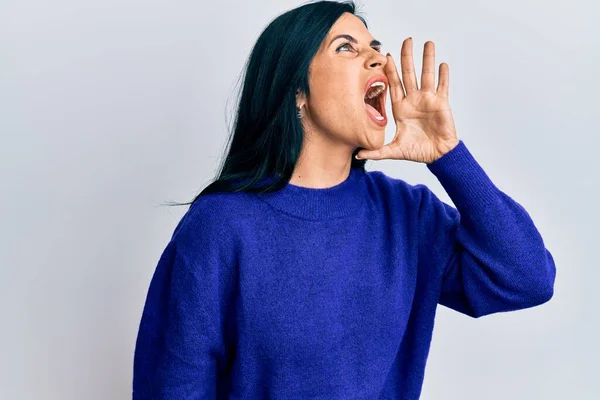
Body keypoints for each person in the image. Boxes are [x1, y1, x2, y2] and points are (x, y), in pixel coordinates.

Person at [132, 1, 556, 398]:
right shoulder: (221, 224)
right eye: (346, 48)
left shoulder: (408, 215)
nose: (378, 59)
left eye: (376, 48)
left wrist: (449, 155)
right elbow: (175, 385)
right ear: (297, 89)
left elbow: (527, 279)